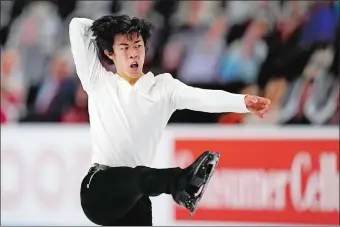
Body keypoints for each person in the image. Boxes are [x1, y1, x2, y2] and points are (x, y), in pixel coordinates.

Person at [69, 15, 270, 226]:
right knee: (142, 177)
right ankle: (180, 183)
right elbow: (76, 26)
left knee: (141, 182)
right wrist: (105, 30)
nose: (133, 53)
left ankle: (179, 184)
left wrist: (242, 102)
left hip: (136, 197)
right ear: (110, 53)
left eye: (138, 45)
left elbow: (202, 97)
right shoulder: (98, 81)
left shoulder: (163, 88)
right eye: (124, 47)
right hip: (100, 189)